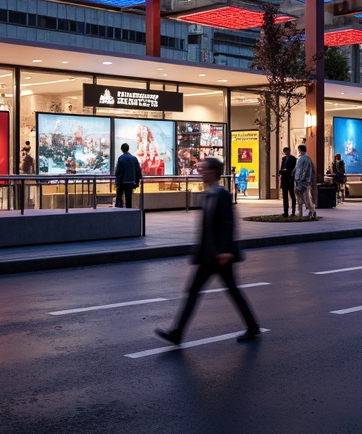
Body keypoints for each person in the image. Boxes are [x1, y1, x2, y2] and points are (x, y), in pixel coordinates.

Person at [154, 157, 261, 346]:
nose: (200, 172)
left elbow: (228, 225)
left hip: (220, 256)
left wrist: (226, 251)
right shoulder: (210, 193)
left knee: (228, 291)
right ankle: (177, 333)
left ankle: (252, 326)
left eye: (203, 169)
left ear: (213, 172)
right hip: (208, 255)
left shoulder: (222, 194)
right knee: (196, 292)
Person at [114, 142, 142, 208]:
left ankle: (119, 210)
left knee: (119, 196)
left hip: (122, 182)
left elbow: (118, 171)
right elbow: (138, 170)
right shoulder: (134, 158)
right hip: (131, 182)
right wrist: (137, 181)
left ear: (122, 149)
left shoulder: (121, 158)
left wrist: (117, 181)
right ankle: (129, 212)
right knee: (128, 198)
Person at [294, 141, 316, 219]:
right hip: (300, 181)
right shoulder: (301, 159)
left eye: (298, 150)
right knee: (303, 197)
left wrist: (301, 179)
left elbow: (305, 170)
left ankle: (311, 210)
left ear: (300, 150)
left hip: (302, 181)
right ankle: (303, 212)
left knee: (306, 197)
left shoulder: (304, 159)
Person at [278, 145, 297, 217]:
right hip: (284, 179)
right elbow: (282, 168)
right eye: (284, 152)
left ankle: (293, 212)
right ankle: (285, 212)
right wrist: (282, 171)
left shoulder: (293, 159)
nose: (286, 153)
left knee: (292, 196)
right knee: (285, 196)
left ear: (289, 151)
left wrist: (288, 171)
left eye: (286, 151)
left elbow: (294, 169)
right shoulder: (283, 159)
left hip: (290, 179)